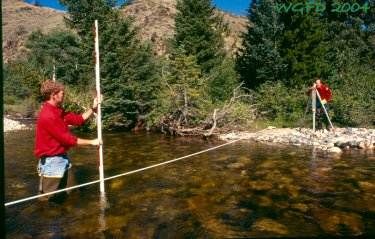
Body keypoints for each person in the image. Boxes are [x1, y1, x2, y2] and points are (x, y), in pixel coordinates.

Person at [34, 80, 101, 203]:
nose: (64, 95)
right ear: (54, 95)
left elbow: (78, 119)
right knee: (46, 203)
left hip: (62, 159)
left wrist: (93, 108)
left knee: (72, 195)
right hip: (51, 163)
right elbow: (68, 140)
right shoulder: (49, 115)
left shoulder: (57, 110)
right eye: (62, 93)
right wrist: (92, 142)